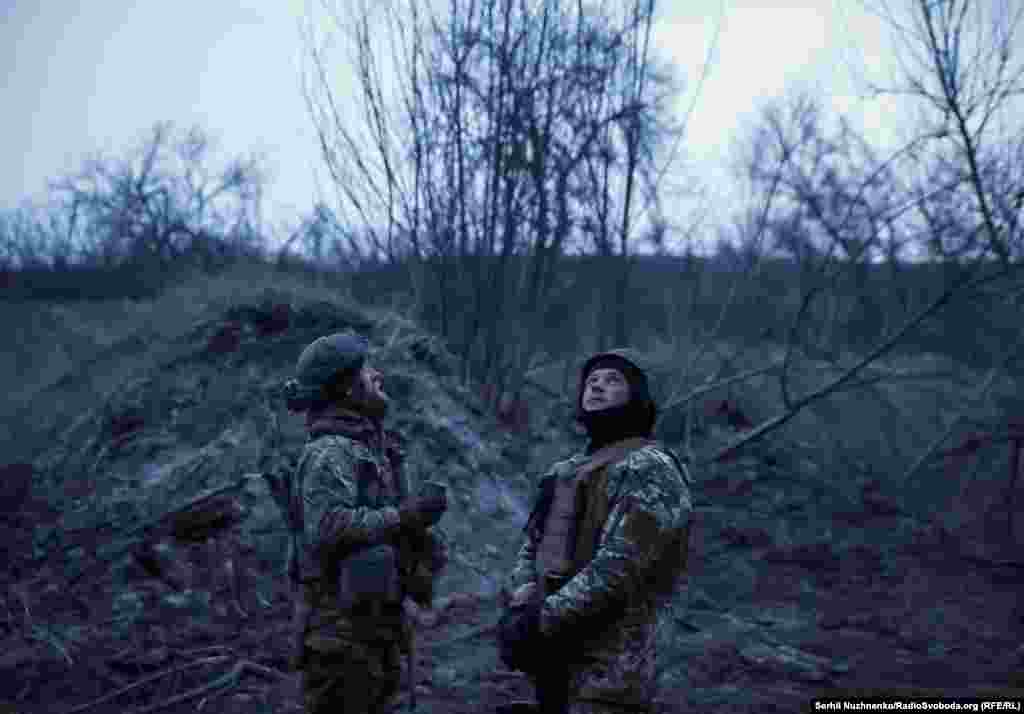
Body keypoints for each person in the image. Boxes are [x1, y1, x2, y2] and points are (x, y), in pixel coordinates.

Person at [499, 349, 694, 714]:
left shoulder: (652, 467)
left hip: (613, 663)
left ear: (638, 395)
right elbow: (532, 547)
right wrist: (520, 603)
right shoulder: (566, 470)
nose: (598, 386)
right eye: (591, 381)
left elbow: (619, 567)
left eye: (612, 380)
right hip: (555, 652)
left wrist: (540, 619)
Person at [282, 331, 449, 714]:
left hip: (372, 628)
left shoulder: (368, 446)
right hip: (341, 636)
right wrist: (405, 516)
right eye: (366, 369)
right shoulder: (330, 450)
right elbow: (328, 527)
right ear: (344, 386)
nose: (378, 375)